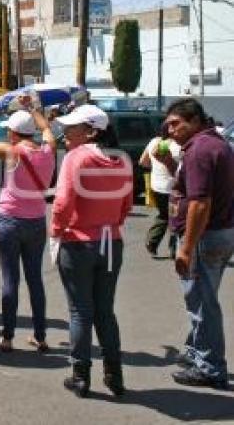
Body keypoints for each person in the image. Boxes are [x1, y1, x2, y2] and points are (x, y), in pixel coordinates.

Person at [52, 104, 133, 397]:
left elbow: (63, 202)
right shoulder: (121, 160)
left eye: (70, 129)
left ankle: (80, 375)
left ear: (90, 131)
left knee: (80, 312)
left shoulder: (77, 157)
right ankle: (114, 375)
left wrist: (56, 231)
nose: (64, 134)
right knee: (105, 312)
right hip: (111, 241)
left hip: (78, 241)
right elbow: (126, 205)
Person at [0, 94, 56, 353]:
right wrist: (33, 108)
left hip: (9, 220)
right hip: (36, 221)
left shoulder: (12, 152)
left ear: (14, 133)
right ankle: (40, 336)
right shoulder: (48, 150)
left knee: (10, 280)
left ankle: (7, 337)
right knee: (35, 279)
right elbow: (47, 129)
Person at [165, 98, 234, 390]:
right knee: (202, 299)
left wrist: (186, 247)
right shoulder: (216, 144)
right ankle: (197, 353)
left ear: (194, 121)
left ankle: (210, 368)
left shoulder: (200, 151)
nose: (170, 130)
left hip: (205, 238)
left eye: (175, 124)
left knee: (202, 303)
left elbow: (200, 204)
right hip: (218, 233)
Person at [139, 124, 181, 259]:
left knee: (163, 215)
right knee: (175, 218)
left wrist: (156, 168)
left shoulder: (154, 142)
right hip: (173, 188)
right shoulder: (178, 146)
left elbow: (143, 162)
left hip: (156, 186)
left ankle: (152, 241)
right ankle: (174, 249)